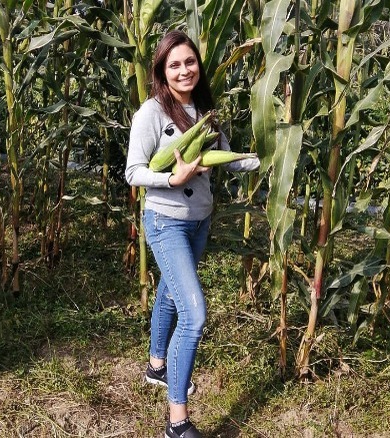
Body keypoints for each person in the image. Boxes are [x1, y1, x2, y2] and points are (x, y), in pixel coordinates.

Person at [125, 30, 260, 438]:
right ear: (161, 72)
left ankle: (156, 366)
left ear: (198, 65)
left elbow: (229, 160)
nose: (184, 70)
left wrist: (265, 155)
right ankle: (177, 422)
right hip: (166, 221)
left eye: (190, 62)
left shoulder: (204, 109)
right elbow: (133, 172)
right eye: (174, 65)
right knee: (194, 313)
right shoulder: (150, 113)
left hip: (199, 220)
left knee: (170, 291)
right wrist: (172, 177)